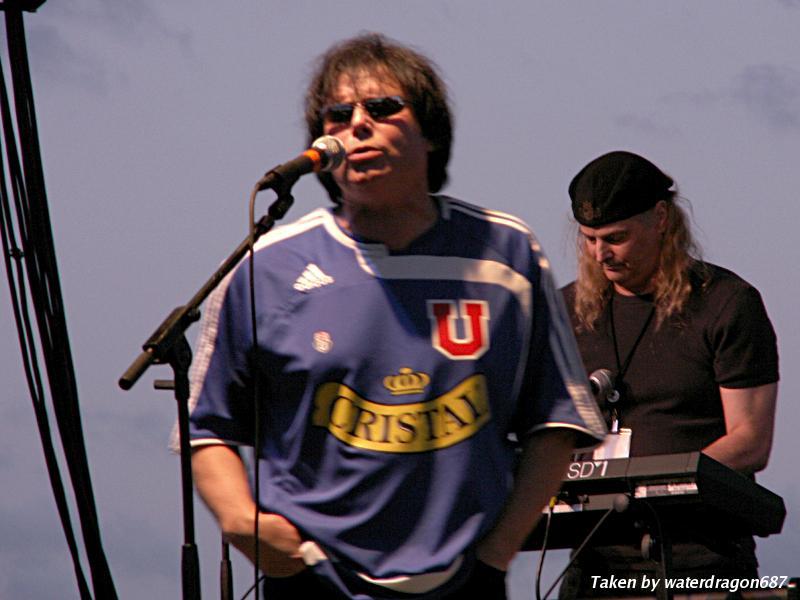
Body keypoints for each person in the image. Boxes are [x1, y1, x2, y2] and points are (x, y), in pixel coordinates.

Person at [185, 33, 606, 600]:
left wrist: (495, 554)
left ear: (430, 132)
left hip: (463, 582)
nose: (358, 125)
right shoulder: (268, 267)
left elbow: (557, 421)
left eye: (382, 108)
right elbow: (209, 426)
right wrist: (240, 519)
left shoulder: (505, 252)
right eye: (339, 114)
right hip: (312, 581)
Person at [558, 150, 779, 596]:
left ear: (661, 218)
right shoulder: (564, 313)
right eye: (589, 239)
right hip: (595, 559)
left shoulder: (726, 304)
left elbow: (751, 441)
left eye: (616, 238)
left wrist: (651, 487)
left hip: (701, 558)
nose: (602, 253)